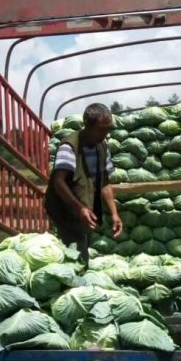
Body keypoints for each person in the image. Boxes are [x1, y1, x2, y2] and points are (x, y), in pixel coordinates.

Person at [44, 102, 123, 265]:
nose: (106, 133)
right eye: (102, 129)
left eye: (108, 129)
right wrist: (79, 208)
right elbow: (58, 182)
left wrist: (114, 214)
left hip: (85, 209)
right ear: (88, 125)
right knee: (76, 252)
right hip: (64, 209)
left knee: (83, 244)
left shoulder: (102, 146)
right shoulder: (69, 146)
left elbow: (105, 183)